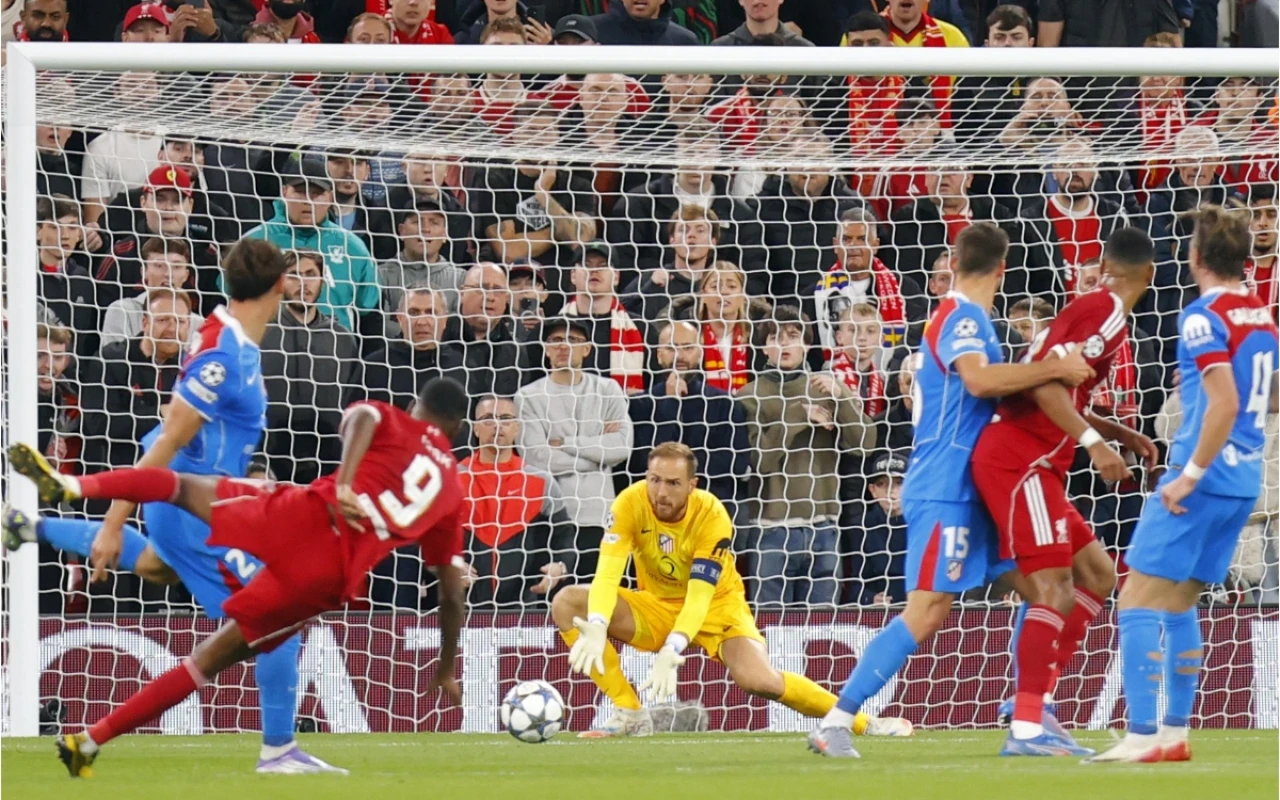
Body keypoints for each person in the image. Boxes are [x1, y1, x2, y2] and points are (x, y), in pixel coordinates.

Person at [5, 378, 471, 778]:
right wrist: (447, 665)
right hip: (325, 576)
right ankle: (90, 742)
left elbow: (363, 416)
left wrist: (345, 481)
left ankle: (72, 486)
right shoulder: (452, 491)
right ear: (455, 429)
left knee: (176, 489)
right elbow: (452, 593)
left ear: (417, 406)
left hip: (301, 515)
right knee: (206, 661)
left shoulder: (396, 420)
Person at [2, 239, 347, 774]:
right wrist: (114, 521)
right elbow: (166, 442)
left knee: (158, 567)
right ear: (282, 284)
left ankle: (31, 527)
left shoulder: (230, 339)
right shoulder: (222, 357)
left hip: (206, 500)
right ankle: (279, 750)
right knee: (280, 617)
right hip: (190, 505)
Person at [808, 222, 1096, 759]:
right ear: (1003, 269)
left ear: (956, 262)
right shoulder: (961, 317)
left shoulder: (971, 319)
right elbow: (980, 381)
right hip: (946, 487)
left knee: (1045, 591)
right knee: (927, 609)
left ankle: (1028, 713)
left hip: (982, 488)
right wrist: (1054, 367)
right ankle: (837, 720)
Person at [555, 441, 911, 739]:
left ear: (692, 485)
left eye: (673, 483)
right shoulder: (629, 503)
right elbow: (607, 575)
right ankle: (630, 712)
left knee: (761, 681)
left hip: (718, 609)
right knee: (568, 602)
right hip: (657, 606)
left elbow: (699, 596)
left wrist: (672, 646)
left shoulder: (712, 516)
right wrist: (598, 623)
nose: (661, 492)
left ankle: (865, 723)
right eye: (654, 480)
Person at [1090, 207, 1279, 763]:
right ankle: (1174, 733)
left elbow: (1223, 402)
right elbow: (1267, 394)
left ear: (1195, 256)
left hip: (1202, 477)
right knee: (1178, 603)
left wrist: (1187, 476)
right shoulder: (1260, 315)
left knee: (1135, 598)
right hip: (1243, 480)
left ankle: (1141, 735)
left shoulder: (1202, 316)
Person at [971, 227, 1161, 756]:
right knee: (1053, 588)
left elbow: (1061, 386)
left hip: (1038, 462)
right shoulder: (1107, 313)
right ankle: (1026, 726)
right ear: (1150, 274)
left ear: (1105, 264)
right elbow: (1044, 384)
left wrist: (1120, 432)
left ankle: (1035, 701)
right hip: (1021, 459)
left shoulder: (1094, 309)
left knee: (1098, 574)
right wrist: (1095, 444)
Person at [739, 306, 874, 607]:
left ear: (807, 344)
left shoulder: (827, 388)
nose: (784, 343)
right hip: (770, 530)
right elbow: (758, 461)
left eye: (793, 335)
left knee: (822, 628)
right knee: (771, 628)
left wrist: (842, 397)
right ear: (763, 348)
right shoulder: (749, 395)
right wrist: (799, 414)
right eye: (774, 337)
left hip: (824, 528)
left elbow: (864, 445)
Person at [515, 317, 633, 580]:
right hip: (552, 519)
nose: (563, 346)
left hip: (600, 518)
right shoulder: (527, 396)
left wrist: (568, 443)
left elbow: (621, 447)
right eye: (556, 340)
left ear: (587, 348)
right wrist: (599, 457)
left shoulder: (608, 389)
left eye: (573, 340)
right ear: (546, 349)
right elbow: (537, 459)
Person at [460, 395, 574, 608]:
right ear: (475, 428)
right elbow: (429, 538)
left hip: (523, 608)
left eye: (505, 419)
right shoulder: (451, 480)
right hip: (461, 607)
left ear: (517, 428)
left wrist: (560, 566)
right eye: (488, 419)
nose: (497, 426)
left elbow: (565, 534)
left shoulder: (541, 482)